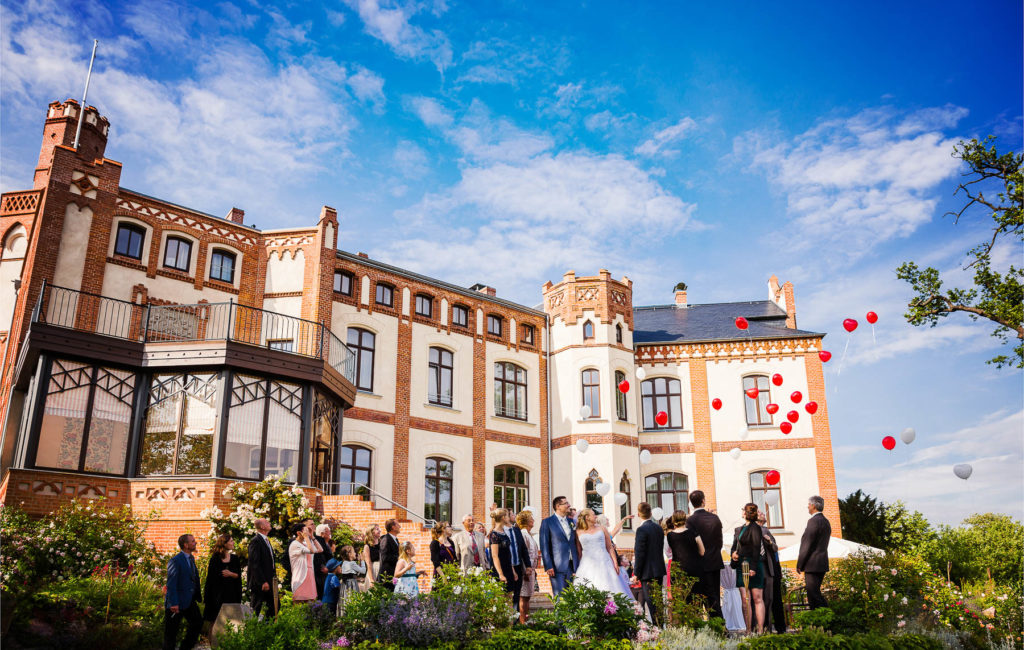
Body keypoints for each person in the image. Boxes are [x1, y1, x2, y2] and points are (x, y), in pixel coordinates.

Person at [572, 508, 634, 600]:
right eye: (593, 514)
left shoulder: (602, 528)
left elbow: (609, 547)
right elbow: (579, 551)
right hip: (587, 564)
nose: (596, 516)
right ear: (587, 517)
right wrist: (578, 567)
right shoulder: (578, 532)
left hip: (604, 562)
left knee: (609, 586)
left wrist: (615, 563)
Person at [687, 489, 724, 620]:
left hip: (699, 563)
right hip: (714, 561)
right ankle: (718, 624)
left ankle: (710, 626)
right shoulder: (715, 518)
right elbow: (720, 542)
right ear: (703, 501)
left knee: (700, 597)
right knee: (714, 597)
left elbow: (691, 544)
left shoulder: (690, 521)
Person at [731, 503, 766, 634]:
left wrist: (753, 567)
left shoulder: (756, 528)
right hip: (741, 565)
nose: (741, 512)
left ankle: (761, 629)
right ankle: (748, 629)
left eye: (742, 510)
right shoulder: (739, 529)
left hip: (754, 564)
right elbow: (735, 546)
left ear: (745, 513)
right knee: (745, 600)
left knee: (757, 598)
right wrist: (733, 554)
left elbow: (757, 547)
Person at [163, 533, 203, 650]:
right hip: (176, 603)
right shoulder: (176, 561)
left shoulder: (191, 558)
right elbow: (171, 583)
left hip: (189, 600)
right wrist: (173, 603)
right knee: (171, 634)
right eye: (193, 541)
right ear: (186, 545)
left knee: (197, 623)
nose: (195, 543)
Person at [632, 502, 667, 625]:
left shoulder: (641, 530)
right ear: (651, 513)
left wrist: (636, 572)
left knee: (651, 602)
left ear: (638, 514)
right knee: (658, 601)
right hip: (658, 568)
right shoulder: (658, 528)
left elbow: (639, 553)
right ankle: (660, 626)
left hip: (647, 571)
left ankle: (657, 628)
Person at [539, 495, 580, 597]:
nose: (569, 505)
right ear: (558, 506)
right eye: (566, 503)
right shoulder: (547, 522)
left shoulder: (571, 522)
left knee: (573, 596)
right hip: (557, 566)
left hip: (573, 565)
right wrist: (548, 565)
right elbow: (544, 545)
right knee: (560, 597)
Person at [797, 495, 831, 610]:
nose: (807, 506)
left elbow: (807, 544)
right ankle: (823, 620)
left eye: (808, 504)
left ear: (813, 506)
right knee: (815, 593)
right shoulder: (826, 522)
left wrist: (800, 564)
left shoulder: (813, 521)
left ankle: (826, 619)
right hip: (822, 563)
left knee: (813, 595)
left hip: (812, 564)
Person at [203, 533, 242, 627]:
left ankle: (228, 641)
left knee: (232, 621)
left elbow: (238, 575)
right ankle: (212, 641)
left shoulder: (235, 558)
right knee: (215, 621)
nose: (233, 543)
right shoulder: (215, 559)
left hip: (232, 594)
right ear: (224, 544)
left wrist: (230, 574)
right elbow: (210, 579)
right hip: (217, 596)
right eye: (231, 541)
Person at [666, 510, 704, 603]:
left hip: (678, 570)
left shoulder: (670, 535)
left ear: (673, 520)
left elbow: (669, 552)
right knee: (695, 600)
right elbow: (702, 552)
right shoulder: (693, 532)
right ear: (685, 519)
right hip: (694, 568)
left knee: (680, 600)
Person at [758, 512, 786, 633]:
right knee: (767, 600)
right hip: (767, 570)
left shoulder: (766, 531)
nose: (763, 514)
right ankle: (767, 627)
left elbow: (775, 549)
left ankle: (780, 628)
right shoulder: (758, 530)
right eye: (760, 513)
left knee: (776, 601)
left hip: (774, 570)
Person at [487, 508, 519, 603]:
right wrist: (500, 574)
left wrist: (513, 571)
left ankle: (509, 618)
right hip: (499, 570)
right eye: (507, 516)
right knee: (499, 599)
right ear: (503, 518)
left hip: (508, 568)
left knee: (509, 597)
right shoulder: (494, 535)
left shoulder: (504, 533)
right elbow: (495, 556)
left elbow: (508, 554)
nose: (509, 517)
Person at [247, 518, 277, 618]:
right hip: (259, 582)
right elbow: (254, 563)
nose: (269, 523)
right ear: (262, 527)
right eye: (267, 522)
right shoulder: (256, 541)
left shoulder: (266, 540)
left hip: (269, 580)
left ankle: (267, 629)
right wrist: (262, 581)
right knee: (256, 607)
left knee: (274, 606)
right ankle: (252, 630)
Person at [516, 509, 540, 623]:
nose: (533, 520)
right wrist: (526, 569)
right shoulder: (524, 534)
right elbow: (523, 554)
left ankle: (526, 619)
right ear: (526, 521)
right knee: (523, 596)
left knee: (527, 597)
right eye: (531, 518)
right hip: (526, 570)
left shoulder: (529, 534)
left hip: (532, 570)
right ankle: (522, 621)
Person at [288, 522, 322, 603]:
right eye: (305, 531)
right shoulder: (295, 544)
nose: (307, 533)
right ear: (299, 533)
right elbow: (311, 551)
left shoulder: (305, 544)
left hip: (310, 575)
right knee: (300, 603)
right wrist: (307, 538)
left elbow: (320, 549)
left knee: (311, 602)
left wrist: (312, 537)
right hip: (301, 577)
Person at [309, 520, 331, 599]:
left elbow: (325, 555)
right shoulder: (297, 541)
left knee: (321, 595)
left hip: (320, 573)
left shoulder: (319, 539)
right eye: (312, 524)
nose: (314, 526)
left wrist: (326, 566)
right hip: (308, 573)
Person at [378, 519, 401, 591]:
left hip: (394, 574)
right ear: (393, 527)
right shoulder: (386, 539)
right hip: (387, 575)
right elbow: (385, 557)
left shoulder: (396, 540)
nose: (400, 526)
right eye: (398, 525)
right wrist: (399, 559)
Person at [361, 523, 381, 589]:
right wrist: (371, 579)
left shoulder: (382, 543)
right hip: (374, 570)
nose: (380, 530)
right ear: (371, 532)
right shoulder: (367, 546)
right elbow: (368, 563)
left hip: (382, 569)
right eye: (377, 529)